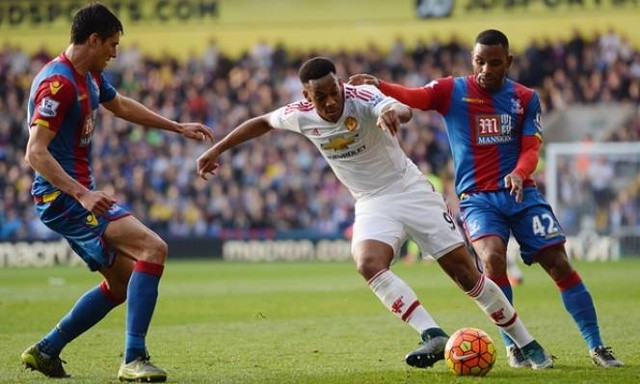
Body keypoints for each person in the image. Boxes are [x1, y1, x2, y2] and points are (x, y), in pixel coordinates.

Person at [197, 56, 552, 369]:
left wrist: (389, 113)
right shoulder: (298, 115)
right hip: (371, 201)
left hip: (410, 190)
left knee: (465, 275)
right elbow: (262, 121)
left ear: (340, 83)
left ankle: (527, 343)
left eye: (334, 90)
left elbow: (399, 108)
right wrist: (218, 149)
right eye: (321, 96)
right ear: (307, 98)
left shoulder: (361, 97)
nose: (332, 100)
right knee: (367, 262)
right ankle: (432, 333)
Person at [349, 29, 623, 368]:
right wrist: (379, 85)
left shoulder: (525, 97)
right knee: (492, 259)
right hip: (477, 198)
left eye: (495, 63)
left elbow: (531, 149)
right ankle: (514, 346)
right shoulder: (453, 90)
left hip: (522, 194)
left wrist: (520, 173)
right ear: (472, 59)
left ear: (508, 61)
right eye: (480, 61)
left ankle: (597, 346)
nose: (486, 69)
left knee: (559, 264)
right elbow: (415, 97)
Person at [21, 3, 213, 382]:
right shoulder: (57, 85)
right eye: (111, 44)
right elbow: (34, 152)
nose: (115, 52)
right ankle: (134, 358)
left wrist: (177, 127)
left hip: (75, 194)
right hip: (63, 197)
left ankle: (46, 350)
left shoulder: (89, 77)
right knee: (153, 248)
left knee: (121, 283)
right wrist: (81, 194)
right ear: (92, 40)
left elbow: (121, 105)